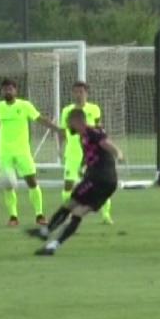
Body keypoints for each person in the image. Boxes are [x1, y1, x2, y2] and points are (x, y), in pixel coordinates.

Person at [29, 107, 123, 256]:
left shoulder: (91, 132)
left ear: (76, 121)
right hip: (109, 182)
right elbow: (91, 153)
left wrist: (118, 153)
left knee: (70, 203)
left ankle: (46, 231)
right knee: (78, 212)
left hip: (98, 178)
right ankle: (52, 245)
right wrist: (82, 166)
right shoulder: (83, 136)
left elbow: (106, 144)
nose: (67, 126)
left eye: (69, 122)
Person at [0, 79, 62, 227]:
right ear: (1, 91)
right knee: (8, 184)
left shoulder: (25, 105)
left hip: (22, 151)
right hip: (4, 152)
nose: (8, 91)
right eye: (5, 89)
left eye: (10, 88)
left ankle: (39, 215)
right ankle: (13, 217)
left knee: (32, 181)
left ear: (16, 91)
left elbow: (40, 119)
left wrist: (57, 129)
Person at [60, 82, 112, 224]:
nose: (78, 95)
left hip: (91, 153)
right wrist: (60, 148)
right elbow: (62, 131)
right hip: (72, 152)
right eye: (75, 92)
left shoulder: (94, 109)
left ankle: (106, 215)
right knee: (68, 184)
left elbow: (99, 129)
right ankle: (67, 216)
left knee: (100, 183)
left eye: (81, 92)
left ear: (86, 93)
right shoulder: (66, 111)